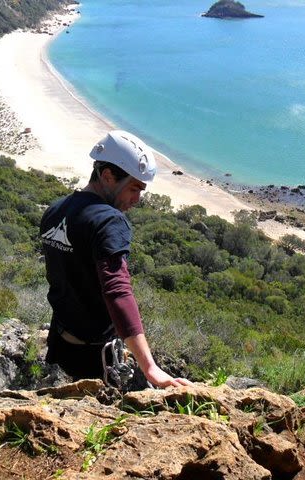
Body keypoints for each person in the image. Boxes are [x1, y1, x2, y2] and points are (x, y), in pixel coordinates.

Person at [40, 130, 191, 388]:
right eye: (134, 188)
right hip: (94, 357)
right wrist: (150, 367)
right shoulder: (109, 221)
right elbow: (117, 290)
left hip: (60, 346)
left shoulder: (56, 211)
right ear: (108, 176)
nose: (138, 199)